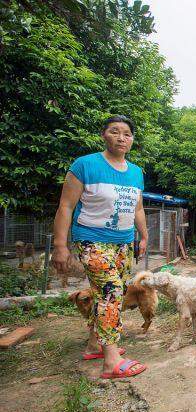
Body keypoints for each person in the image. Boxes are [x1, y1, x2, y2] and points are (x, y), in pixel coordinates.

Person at [52, 116, 147, 379]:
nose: (121, 137)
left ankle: (95, 344)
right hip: (92, 240)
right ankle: (111, 362)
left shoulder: (136, 172)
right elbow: (66, 206)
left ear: (132, 139)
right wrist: (60, 245)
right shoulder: (85, 165)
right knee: (111, 291)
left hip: (124, 243)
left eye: (127, 133)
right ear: (103, 135)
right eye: (114, 132)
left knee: (106, 292)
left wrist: (144, 236)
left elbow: (137, 208)